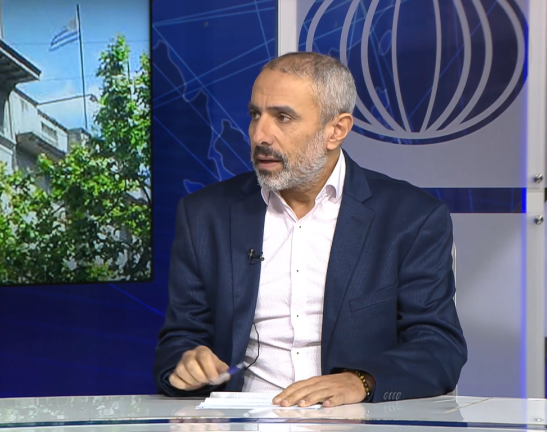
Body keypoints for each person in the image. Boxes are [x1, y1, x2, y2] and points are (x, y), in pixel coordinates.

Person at [154, 52, 466, 407]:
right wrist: (186, 363)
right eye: (255, 115)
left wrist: (361, 381)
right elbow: (178, 340)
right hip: (244, 420)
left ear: (336, 130)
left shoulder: (410, 218)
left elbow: (439, 348)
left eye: (282, 117)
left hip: (354, 420)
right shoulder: (204, 214)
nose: (259, 135)